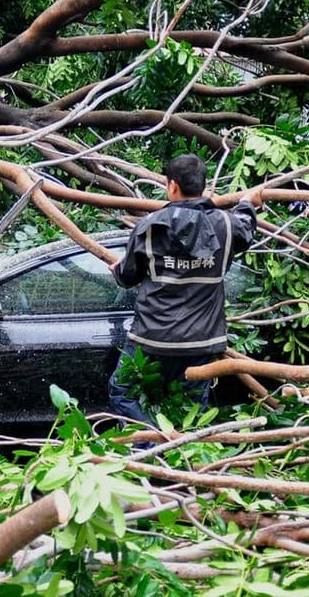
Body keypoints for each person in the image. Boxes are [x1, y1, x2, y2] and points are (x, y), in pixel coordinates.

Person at [108, 154, 262, 426]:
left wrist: (117, 269)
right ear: (204, 187)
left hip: (151, 339)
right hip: (199, 343)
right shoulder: (227, 225)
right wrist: (248, 203)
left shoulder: (149, 225)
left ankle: (148, 443)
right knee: (190, 409)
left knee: (123, 392)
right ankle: (184, 446)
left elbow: (127, 278)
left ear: (172, 186)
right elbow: (246, 228)